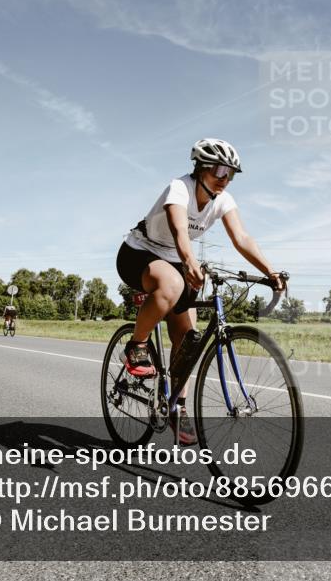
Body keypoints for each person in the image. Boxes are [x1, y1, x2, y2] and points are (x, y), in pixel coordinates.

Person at [116, 138, 284, 445]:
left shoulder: (223, 199)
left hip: (174, 260)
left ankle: (176, 405)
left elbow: (242, 237)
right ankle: (136, 345)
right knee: (173, 283)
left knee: (187, 338)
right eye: (219, 170)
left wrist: (269, 271)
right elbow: (180, 230)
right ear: (201, 167)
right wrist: (191, 262)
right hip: (139, 252)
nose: (224, 178)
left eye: (230, 173)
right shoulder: (179, 188)